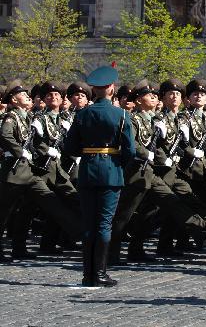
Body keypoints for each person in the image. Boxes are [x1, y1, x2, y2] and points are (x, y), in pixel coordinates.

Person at [62, 65, 136, 287]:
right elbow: (130, 150)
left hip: (87, 170)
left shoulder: (82, 114)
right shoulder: (121, 115)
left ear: (94, 90)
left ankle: (88, 274)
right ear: (112, 89)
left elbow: (71, 147)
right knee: (104, 224)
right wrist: (116, 164)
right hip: (111, 171)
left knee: (89, 224)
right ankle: (100, 274)